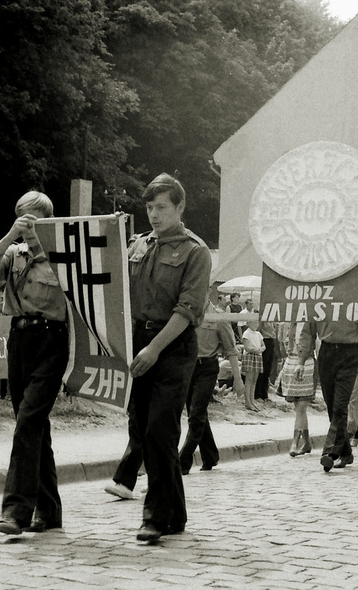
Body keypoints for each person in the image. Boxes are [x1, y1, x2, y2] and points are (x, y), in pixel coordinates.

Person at [122, 173, 211, 542]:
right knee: (145, 431)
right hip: (139, 343)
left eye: (161, 207)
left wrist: (154, 347)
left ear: (179, 207)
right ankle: (175, 512)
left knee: (160, 428)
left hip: (172, 347)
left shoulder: (195, 251)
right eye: (149, 207)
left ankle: (154, 516)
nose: (154, 215)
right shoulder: (137, 246)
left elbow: (187, 309)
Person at [0, 191, 69, 535]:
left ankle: (16, 511)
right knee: (33, 425)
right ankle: (50, 510)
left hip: (52, 340)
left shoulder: (63, 258)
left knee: (28, 422)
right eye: (21, 218)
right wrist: (8, 238)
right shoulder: (13, 253)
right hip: (19, 340)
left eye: (32, 220)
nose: (27, 227)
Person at [296, 305, 358, 472]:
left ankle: (330, 452)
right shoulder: (319, 299)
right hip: (327, 352)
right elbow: (308, 331)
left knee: (340, 405)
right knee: (332, 406)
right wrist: (300, 361)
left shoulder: (355, 297)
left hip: (350, 353)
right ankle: (346, 452)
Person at [179, 302, 244, 475]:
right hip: (187, 367)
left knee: (196, 414)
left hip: (207, 367)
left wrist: (237, 379)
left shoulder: (219, 317)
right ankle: (210, 455)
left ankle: (182, 461)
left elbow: (231, 350)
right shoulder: (186, 313)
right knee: (197, 414)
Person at [280, 322, 316, 456]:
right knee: (298, 408)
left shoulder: (311, 323)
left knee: (301, 407)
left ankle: (295, 442)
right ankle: (307, 442)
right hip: (291, 362)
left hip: (307, 363)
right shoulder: (289, 324)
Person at [240, 320, 265, 411]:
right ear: (248, 323)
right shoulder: (246, 333)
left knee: (254, 380)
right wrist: (256, 350)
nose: (255, 325)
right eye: (253, 323)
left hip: (258, 356)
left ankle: (252, 401)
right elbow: (247, 347)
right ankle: (247, 402)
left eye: (257, 323)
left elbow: (263, 345)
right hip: (250, 356)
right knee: (249, 380)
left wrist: (260, 349)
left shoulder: (258, 334)